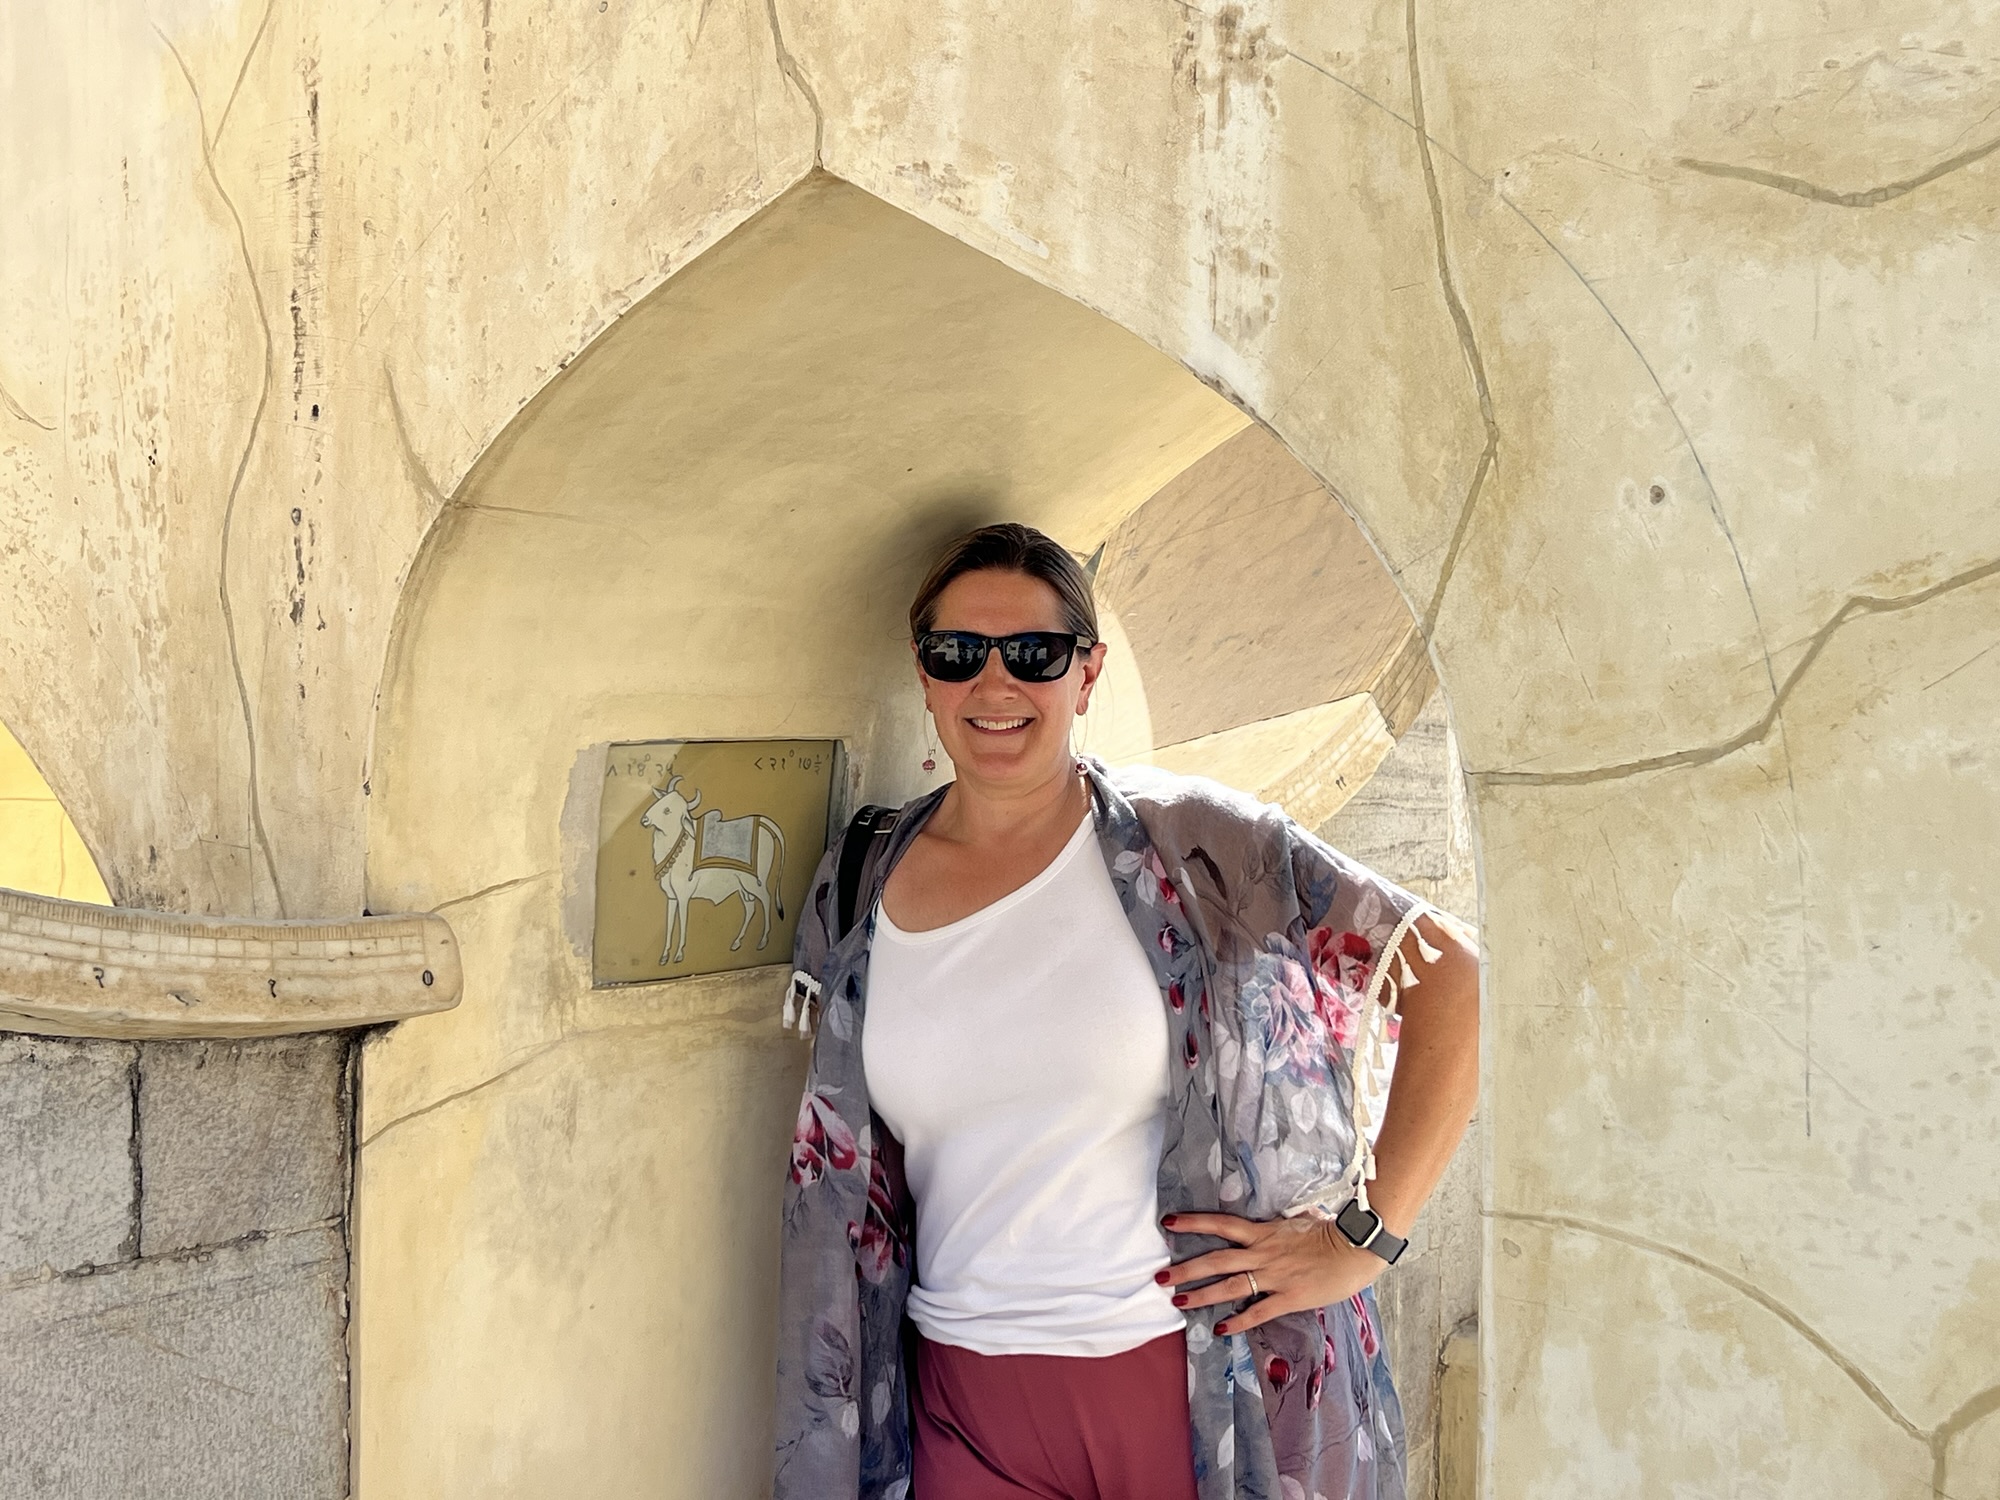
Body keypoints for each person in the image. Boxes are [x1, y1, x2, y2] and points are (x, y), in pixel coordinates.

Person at [774, 523, 1480, 1500]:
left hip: (1184, 1395)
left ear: (1087, 672)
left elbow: (1451, 975)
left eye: (1033, 653)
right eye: (958, 652)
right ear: (923, 672)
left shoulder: (1198, 850)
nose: (994, 683)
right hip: (958, 1404)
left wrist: (1363, 1241)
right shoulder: (860, 885)